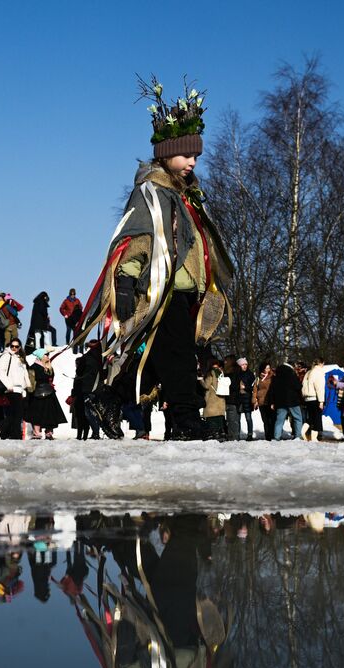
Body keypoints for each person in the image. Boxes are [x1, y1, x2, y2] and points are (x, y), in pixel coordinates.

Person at [81, 77, 234, 441]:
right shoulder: (150, 193)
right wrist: (124, 280)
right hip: (159, 290)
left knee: (157, 359)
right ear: (166, 152)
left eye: (196, 155)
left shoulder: (184, 195)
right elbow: (137, 239)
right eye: (186, 155)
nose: (192, 162)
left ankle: (109, 399)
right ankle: (184, 420)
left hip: (184, 290)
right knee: (177, 355)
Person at [0, 338, 30, 439]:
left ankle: (12, 434)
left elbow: (24, 373)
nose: (14, 348)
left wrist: (27, 386)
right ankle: (3, 428)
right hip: (11, 388)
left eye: (16, 346)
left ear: (20, 347)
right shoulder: (6, 356)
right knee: (18, 412)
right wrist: (9, 385)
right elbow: (0, 371)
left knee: (16, 413)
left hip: (20, 388)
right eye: (12, 346)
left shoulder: (20, 357)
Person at [24, 350, 65, 440]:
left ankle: (49, 433)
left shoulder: (49, 367)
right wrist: (30, 394)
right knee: (37, 415)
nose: (47, 356)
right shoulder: (33, 367)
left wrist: (48, 368)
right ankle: (37, 433)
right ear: (40, 356)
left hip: (49, 393)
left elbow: (51, 378)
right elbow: (30, 382)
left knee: (50, 414)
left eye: (48, 355)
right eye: (45, 355)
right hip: (37, 394)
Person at [72, 339, 104, 440]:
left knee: (88, 412)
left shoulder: (86, 357)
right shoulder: (102, 357)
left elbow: (79, 371)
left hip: (87, 387)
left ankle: (95, 433)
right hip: (98, 387)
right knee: (96, 410)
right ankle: (96, 432)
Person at [269, 361, 303, 440]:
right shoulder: (292, 374)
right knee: (298, 418)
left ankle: (276, 437)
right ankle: (298, 436)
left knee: (279, 420)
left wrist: (273, 401)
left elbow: (272, 389)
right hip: (293, 400)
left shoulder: (276, 374)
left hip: (280, 401)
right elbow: (298, 386)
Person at [200, 358, 227, 440]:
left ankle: (213, 433)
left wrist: (201, 380)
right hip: (220, 399)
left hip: (212, 400)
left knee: (211, 418)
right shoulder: (221, 372)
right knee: (219, 418)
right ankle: (220, 433)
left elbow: (206, 385)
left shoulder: (211, 373)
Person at [234, 356, 255, 440]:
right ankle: (237, 435)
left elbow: (253, 387)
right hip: (238, 398)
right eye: (243, 365)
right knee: (237, 418)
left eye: (246, 364)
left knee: (248, 418)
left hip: (247, 398)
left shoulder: (250, 374)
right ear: (239, 365)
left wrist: (245, 387)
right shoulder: (236, 374)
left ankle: (250, 434)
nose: (245, 366)